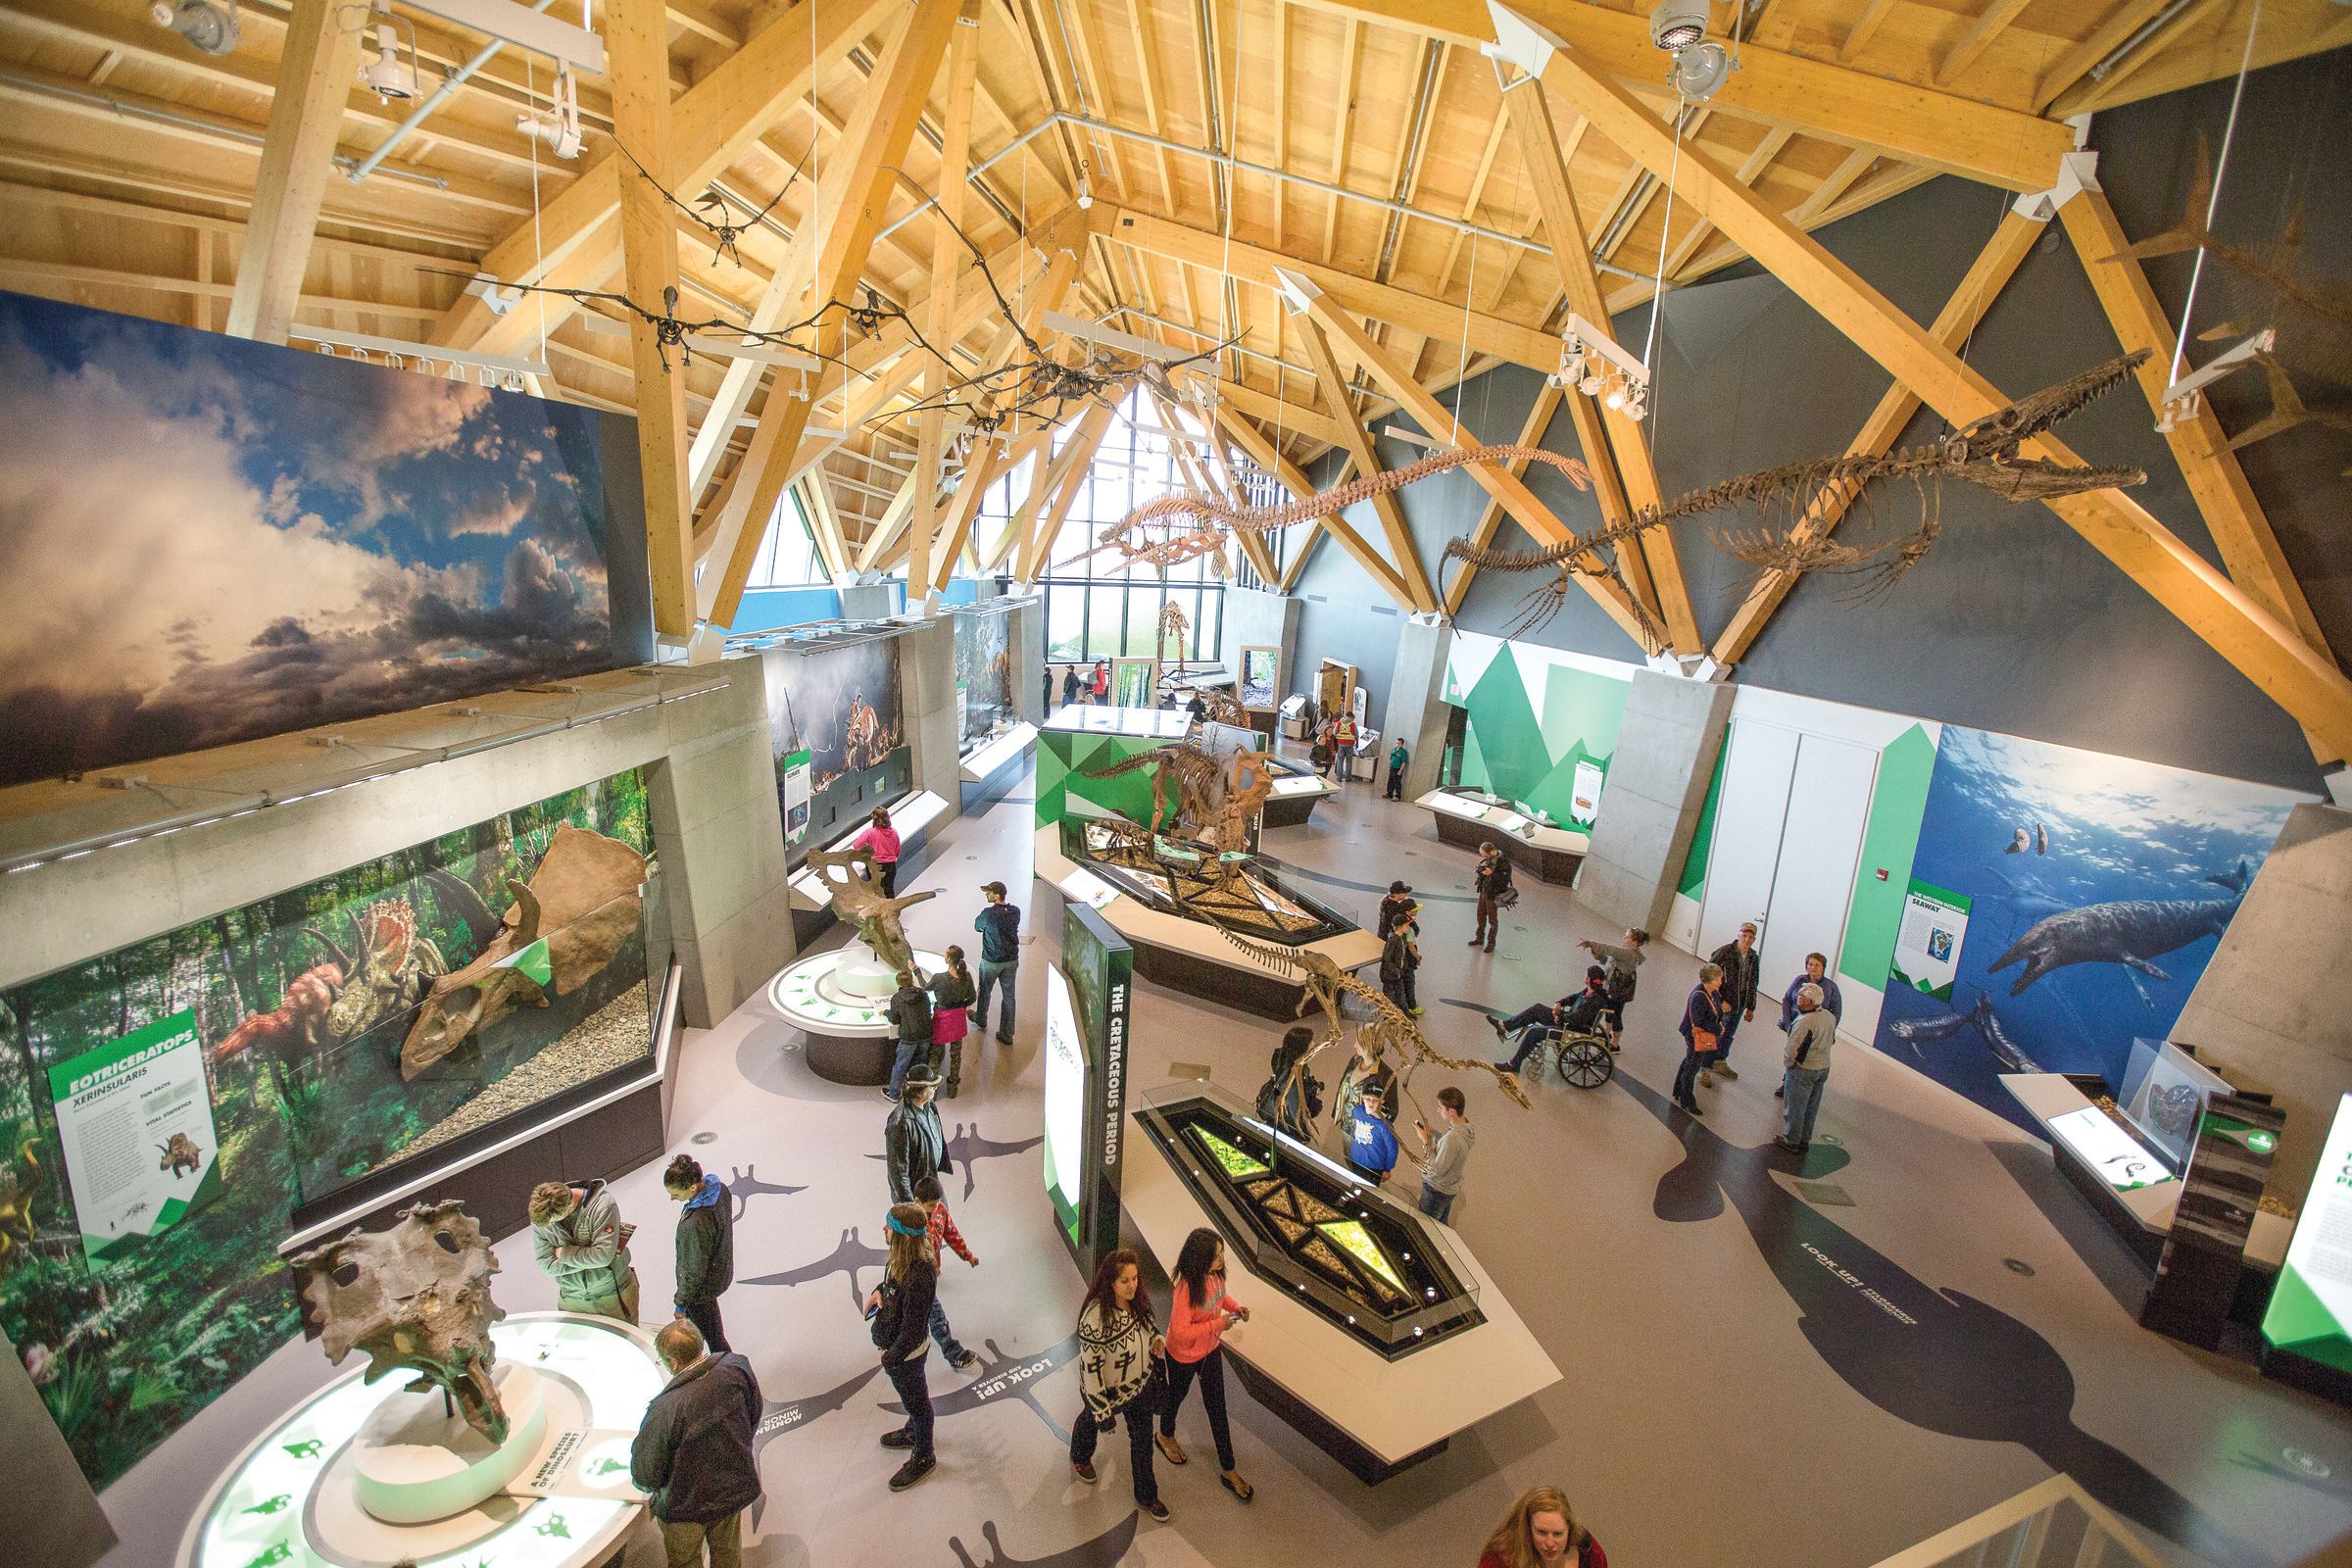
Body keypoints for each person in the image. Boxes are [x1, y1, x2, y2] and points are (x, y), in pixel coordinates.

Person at [630, 1318, 761, 1568]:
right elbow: (754, 1411)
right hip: (731, 1490)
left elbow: (647, 1473)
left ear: (674, 1363)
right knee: (729, 1555)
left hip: (685, 1507)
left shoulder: (665, 1409)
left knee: (685, 1561)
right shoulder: (736, 1366)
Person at [1070, 1249, 1171, 1522]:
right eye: (1125, 1281)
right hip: (1108, 1394)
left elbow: (1149, 1328)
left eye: (1135, 1278)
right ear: (1110, 1282)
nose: (1132, 1285)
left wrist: (1156, 1340)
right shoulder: (1094, 1320)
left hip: (1140, 1388)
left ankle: (1147, 1496)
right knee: (1089, 1422)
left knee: (1142, 1443)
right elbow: (1091, 1370)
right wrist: (1101, 1410)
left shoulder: (1138, 1301)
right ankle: (1080, 1455)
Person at [1157, 1227, 1253, 1502]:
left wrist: (1235, 1308)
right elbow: (1180, 1332)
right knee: (1175, 1397)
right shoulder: (1185, 1288)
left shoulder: (1215, 1276)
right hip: (1182, 1356)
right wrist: (1217, 1324)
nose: (1221, 1260)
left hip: (1210, 1351)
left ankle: (1229, 1468)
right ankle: (1165, 1435)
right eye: (1216, 1256)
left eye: (1222, 1254)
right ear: (1199, 1259)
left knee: (1217, 1408)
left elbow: (1220, 1297)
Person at [867, 1201, 941, 1491]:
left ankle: (924, 1454)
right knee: (912, 1402)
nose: (883, 1230)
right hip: (898, 1352)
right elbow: (892, 1287)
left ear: (904, 1236)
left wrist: (891, 1358)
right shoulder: (900, 1261)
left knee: (918, 1405)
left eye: (888, 1227)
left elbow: (913, 1329)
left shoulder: (920, 1275)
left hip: (906, 1357)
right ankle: (913, 1431)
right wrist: (879, 1291)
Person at [528, 1177, 637, 1321]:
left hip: (612, 1294)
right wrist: (590, 1259)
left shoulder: (603, 1205)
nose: (549, 1225)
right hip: (571, 1298)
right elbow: (547, 1266)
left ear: (569, 1206)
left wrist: (564, 1254)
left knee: (624, 1342)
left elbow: (603, 1257)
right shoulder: (543, 1218)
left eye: (553, 1221)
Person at [665, 1155, 734, 1353]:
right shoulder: (720, 1189)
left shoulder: (695, 1224)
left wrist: (681, 1303)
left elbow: (693, 1270)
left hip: (700, 1292)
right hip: (719, 1270)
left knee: (715, 1339)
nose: (672, 1199)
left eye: (676, 1195)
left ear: (693, 1189)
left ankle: (725, 1369)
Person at [912, 1174, 980, 1370]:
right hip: (917, 1278)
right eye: (931, 1205)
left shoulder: (940, 1212)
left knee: (919, 1313)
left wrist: (967, 1255)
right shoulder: (909, 1220)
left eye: (937, 1203)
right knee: (937, 1316)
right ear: (917, 1201)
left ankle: (917, 1336)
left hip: (930, 1273)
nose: (935, 1209)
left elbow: (951, 1234)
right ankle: (954, 1353)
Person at [1489, 966, 1610, 1074]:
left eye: (1586, 975)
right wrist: (1560, 1003)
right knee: (1537, 1009)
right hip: (1566, 1021)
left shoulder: (1594, 1000)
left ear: (1589, 979)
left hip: (1570, 1028)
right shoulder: (1589, 991)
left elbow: (1577, 1019)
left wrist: (1560, 1016)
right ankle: (1505, 1026)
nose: (1584, 977)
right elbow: (1573, 998)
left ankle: (1514, 1064)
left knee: (1533, 1033)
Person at [1477, 1484, 1610, 1568]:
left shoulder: (1589, 1551)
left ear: (1570, 1529)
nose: (1550, 1543)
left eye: (1558, 1534)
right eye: (1541, 1532)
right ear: (1527, 1528)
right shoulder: (1501, 1557)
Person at [1775, 952, 1843, 1101]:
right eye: (1810, 964)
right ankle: (1787, 1083)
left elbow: (1836, 1013)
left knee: (1806, 1058)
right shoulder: (1800, 980)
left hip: (1815, 1031)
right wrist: (1788, 1024)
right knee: (1793, 1054)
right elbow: (1787, 999)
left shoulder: (1831, 987)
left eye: (1817, 965)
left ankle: (1804, 1087)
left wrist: (1826, 1029)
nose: (1813, 968)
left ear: (1823, 967)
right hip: (1795, 1026)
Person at [1779, 983, 1838, 1153]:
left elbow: (1792, 1049)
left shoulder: (1805, 1021)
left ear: (1809, 1001)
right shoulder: (1829, 1017)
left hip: (1804, 1069)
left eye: (1801, 996)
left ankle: (1791, 1140)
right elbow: (1831, 1040)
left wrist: (1790, 1065)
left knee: (1796, 1106)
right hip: (1823, 1066)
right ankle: (1805, 1139)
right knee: (1812, 1106)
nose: (1797, 998)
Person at [1704, 921, 1762, 1088]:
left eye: (1751, 937)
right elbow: (1708, 975)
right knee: (1714, 1034)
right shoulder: (1724, 952)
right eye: (1744, 935)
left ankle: (1720, 1061)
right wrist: (1719, 1000)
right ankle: (1705, 1068)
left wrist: (1751, 1007)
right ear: (1738, 935)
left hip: (1739, 1005)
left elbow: (1753, 982)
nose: (1747, 939)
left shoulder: (1753, 957)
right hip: (1723, 1004)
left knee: (1728, 1034)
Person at [884, 1065, 953, 1203]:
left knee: (943, 1221)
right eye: (931, 1086)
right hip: (916, 1195)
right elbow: (898, 1171)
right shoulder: (900, 1123)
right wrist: (910, 1206)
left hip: (930, 1180)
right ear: (919, 1092)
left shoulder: (930, 1106)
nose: (935, 1088)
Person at [1672, 964, 1727, 1117]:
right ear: (1709, 980)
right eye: (1717, 979)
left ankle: (1678, 1090)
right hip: (1695, 1036)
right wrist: (1718, 1029)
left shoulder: (1712, 993)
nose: (1720, 982)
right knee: (1692, 1067)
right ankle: (1687, 1099)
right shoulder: (1699, 997)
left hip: (1696, 1034)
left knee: (1689, 1060)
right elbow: (1699, 1021)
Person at [1413, 1086, 1474, 1223]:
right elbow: (1448, 1148)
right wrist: (1432, 1133)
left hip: (1436, 1190)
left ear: (1451, 1111)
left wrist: (1425, 1141)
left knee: (1426, 1225)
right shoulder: (1466, 1127)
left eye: (1440, 1108)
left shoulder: (1452, 1138)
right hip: (1449, 1188)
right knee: (1440, 1223)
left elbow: (1436, 1169)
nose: (1438, 1110)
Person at [973, 881, 1021, 1047]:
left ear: (997, 896)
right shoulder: (1015, 911)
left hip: (991, 961)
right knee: (1009, 997)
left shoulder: (988, 913)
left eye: (989, 892)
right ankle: (1007, 1034)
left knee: (985, 992)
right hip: (1011, 960)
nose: (986, 895)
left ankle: (981, 1020)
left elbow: (977, 927)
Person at [1254, 1025, 1322, 1140]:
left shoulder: (1283, 1064)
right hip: (1288, 1133)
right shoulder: (1293, 1078)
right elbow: (1297, 1111)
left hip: (1276, 1124)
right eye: (1310, 1042)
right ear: (1302, 1047)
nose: (1313, 1044)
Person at [927, 947, 975, 1099]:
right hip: (958, 1019)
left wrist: (915, 971)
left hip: (942, 1019)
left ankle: (932, 1090)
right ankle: (953, 1086)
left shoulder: (939, 978)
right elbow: (972, 998)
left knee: (935, 1054)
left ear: (948, 959)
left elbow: (924, 987)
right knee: (956, 1054)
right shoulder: (966, 976)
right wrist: (961, 1006)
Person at [1578, 928, 1649, 1023]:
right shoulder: (1627, 952)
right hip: (1613, 988)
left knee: (1614, 1016)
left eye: (1627, 937)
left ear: (1635, 942)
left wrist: (1590, 943)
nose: (1624, 938)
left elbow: (1610, 949)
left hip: (1617, 991)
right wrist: (1600, 957)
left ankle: (1613, 1036)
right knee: (1611, 1015)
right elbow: (1612, 963)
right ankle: (1609, 1035)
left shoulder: (1630, 954)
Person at [884, 968, 934, 1103]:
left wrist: (886, 1013)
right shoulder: (923, 994)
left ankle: (894, 1093)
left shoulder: (896, 998)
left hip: (909, 1037)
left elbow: (894, 1019)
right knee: (922, 1062)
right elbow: (928, 1011)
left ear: (898, 984)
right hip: (925, 1034)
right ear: (913, 981)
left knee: (901, 1064)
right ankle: (921, 1091)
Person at [1343, 1081, 1400, 1185]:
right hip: (1355, 1160)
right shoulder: (1358, 1111)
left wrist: (1387, 1168)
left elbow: (1393, 1148)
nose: (1371, 1103)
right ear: (1363, 1098)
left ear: (1381, 1102)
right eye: (1368, 1099)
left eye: (1375, 1100)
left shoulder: (1385, 1125)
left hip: (1373, 1168)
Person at [1334, 1036, 1397, 1125]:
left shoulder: (1386, 1074)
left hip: (1364, 1132)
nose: (1354, 1045)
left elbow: (1392, 1111)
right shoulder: (1355, 1061)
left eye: (1358, 1042)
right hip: (1346, 1125)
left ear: (1369, 1045)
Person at [1470, 841, 1514, 954]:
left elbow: (1504, 879)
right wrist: (1481, 871)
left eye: (1486, 856)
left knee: (1492, 920)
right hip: (1484, 891)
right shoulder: (1491, 858)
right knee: (1480, 915)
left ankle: (1491, 943)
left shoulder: (1503, 863)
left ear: (1492, 852)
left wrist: (1491, 874)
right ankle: (1479, 938)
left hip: (1493, 894)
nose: (1485, 858)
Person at [1378, 906, 1422, 1017]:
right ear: (1400, 926)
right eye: (1406, 925)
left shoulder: (1401, 940)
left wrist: (1402, 970)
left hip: (1398, 975)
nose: (1408, 927)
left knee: (1401, 995)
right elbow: (1387, 958)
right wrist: (1396, 971)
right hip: (1390, 976)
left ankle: (1406, 1014)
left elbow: (1401, 957)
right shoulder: (1393, 940)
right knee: (1390, 998)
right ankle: (1389, 1017)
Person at [850, 807, 903, 897]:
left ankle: (879, 910)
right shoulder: (894, 832)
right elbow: (897, 849)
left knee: (877, 891)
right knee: (889, 889)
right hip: (891, 865)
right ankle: (891, 909)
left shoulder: (870, 832)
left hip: (875, 866)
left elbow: (856, 846)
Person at [1331, 710, 1357, 780]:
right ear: (1351, 717)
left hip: (1341, 744)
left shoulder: (1339, 723)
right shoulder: (1353, 724)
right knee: (1349, 761)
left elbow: (1334, 732)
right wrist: (1357, 742)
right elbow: (1356, 734)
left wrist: (1339, 738)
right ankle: (1348, 777)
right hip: (1350, 745)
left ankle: (1339, 777)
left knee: (1340, 761)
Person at [1385, 736, 1408, 800]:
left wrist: (1400, 770)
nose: (1397, 744)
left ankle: (1398, 796)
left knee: (1397, 782)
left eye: (1399, 743)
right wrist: (1389, 766)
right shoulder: (1394, 749)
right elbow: (1390, 758)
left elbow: (1403, 762)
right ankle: (1389, 794)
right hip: (1392, 767)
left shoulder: (1403, 752)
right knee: (1390, 781)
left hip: (1397, 769)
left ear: (1402, 744)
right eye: (1396, 743)